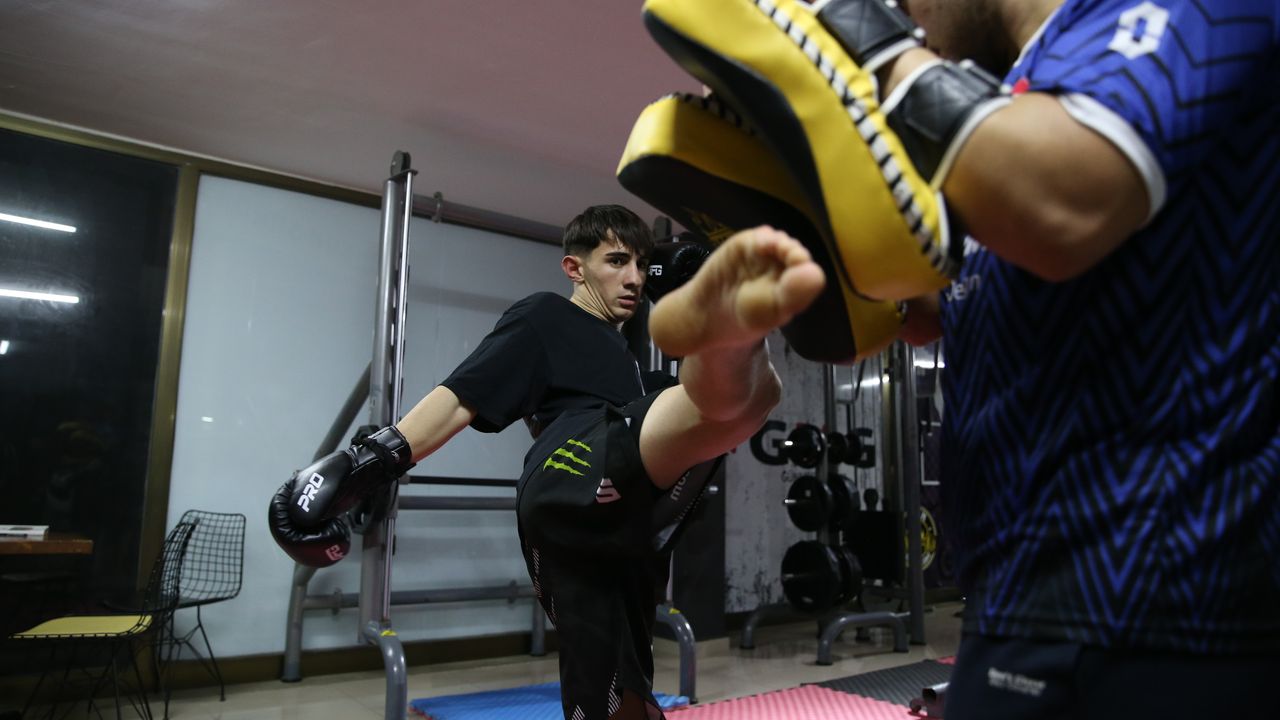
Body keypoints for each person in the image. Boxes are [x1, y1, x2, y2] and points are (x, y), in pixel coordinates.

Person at [634, 0, 1278, 717]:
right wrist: (740, 293)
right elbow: (898, 317)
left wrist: (863, 43)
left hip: (1177, 604)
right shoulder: (1003, 115)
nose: (904, 16)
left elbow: (1066, 199)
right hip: (1015, 605)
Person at [270, 204, 825, 720]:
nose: (634, 278)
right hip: (573, 468)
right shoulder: (547, 316)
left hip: (628, 520)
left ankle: (734, 326)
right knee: (716, 403)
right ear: (574, 268)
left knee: (617, 692)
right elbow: (461, 397)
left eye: (641, 265)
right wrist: (369, 461)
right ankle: (726, 320)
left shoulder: (631, 363)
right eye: (617, 261)